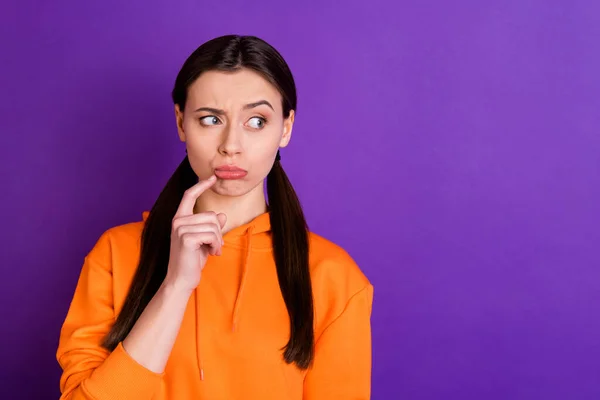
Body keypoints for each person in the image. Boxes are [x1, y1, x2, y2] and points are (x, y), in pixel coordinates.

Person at [56, 34, 373, 400]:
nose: (231, 145)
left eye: (256, 121)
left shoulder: (334, 278)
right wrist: (175, 288)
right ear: (180, 123)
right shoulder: (114, 254)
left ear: (285, 128)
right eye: (210, 119)